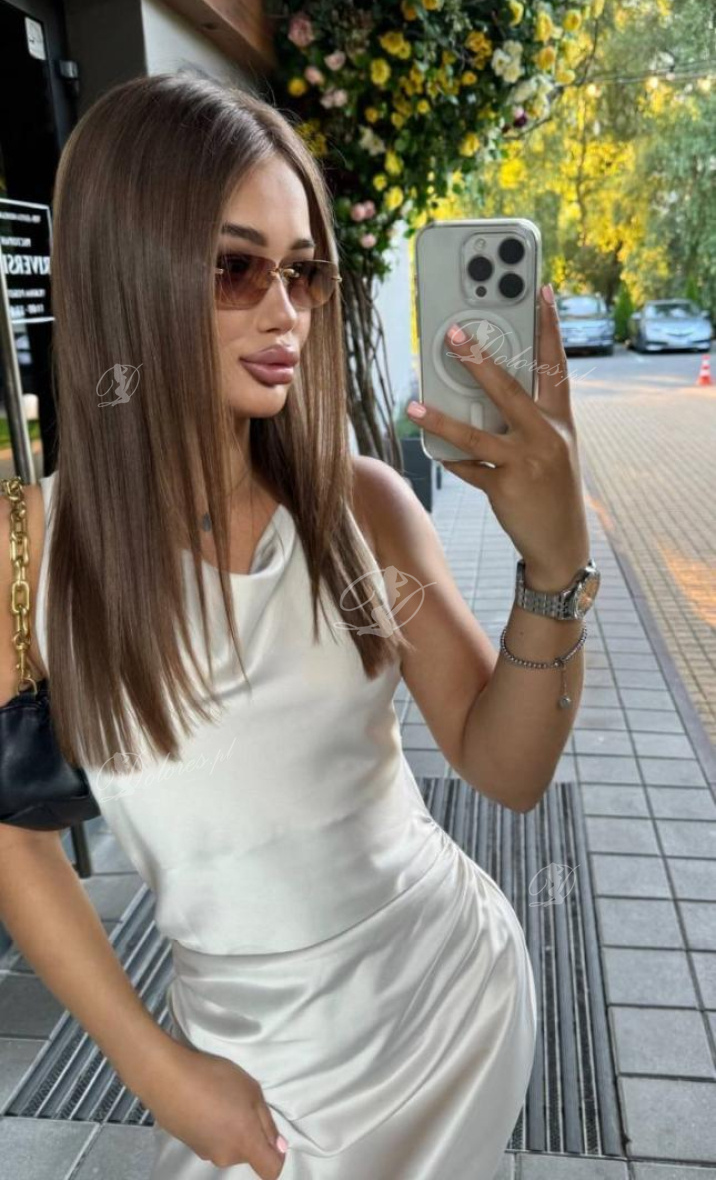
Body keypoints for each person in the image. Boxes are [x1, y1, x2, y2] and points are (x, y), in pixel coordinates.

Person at [0, 72, 540, 1180]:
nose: (284, 309)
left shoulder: (358, 506)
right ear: (126, 271)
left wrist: (555, 564)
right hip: (248, 1071)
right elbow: (14, 838)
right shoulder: (25, 551)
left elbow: (506, 767)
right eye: (235, 268)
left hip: (454, 1002)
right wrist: (157, 1070)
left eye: (303, 270)